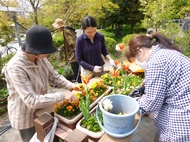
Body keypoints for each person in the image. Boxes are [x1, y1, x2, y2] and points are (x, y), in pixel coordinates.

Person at [3, 25, 81, 142]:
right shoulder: (16, 67)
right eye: (45, 52)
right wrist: (63, 95)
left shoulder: (40, 57)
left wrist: (71, 86)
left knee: (49, 137)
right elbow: (31, 100)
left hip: (42, 109)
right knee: (35, 139)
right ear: (34, 50)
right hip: (25, 115)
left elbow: (53, 76)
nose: (47, 54)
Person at [126, 33, 190, 142]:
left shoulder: (156, 62)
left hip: (180, 123)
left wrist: (132, 100)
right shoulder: (168, 53)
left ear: (140, 51)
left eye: (135, 59)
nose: (137, 63)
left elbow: (150, 105)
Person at [52, 18, 82, 83]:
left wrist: (74, 51)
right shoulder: (67, 30)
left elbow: (73, 42)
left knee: (75, 68)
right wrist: (63, 47)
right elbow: (68, 42)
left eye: (57, 27)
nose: (57, 29)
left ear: (59, 27)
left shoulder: (67, 31)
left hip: (73, 53)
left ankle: (80, 83)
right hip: (74, 52)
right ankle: (79, 81)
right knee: (76, 68)